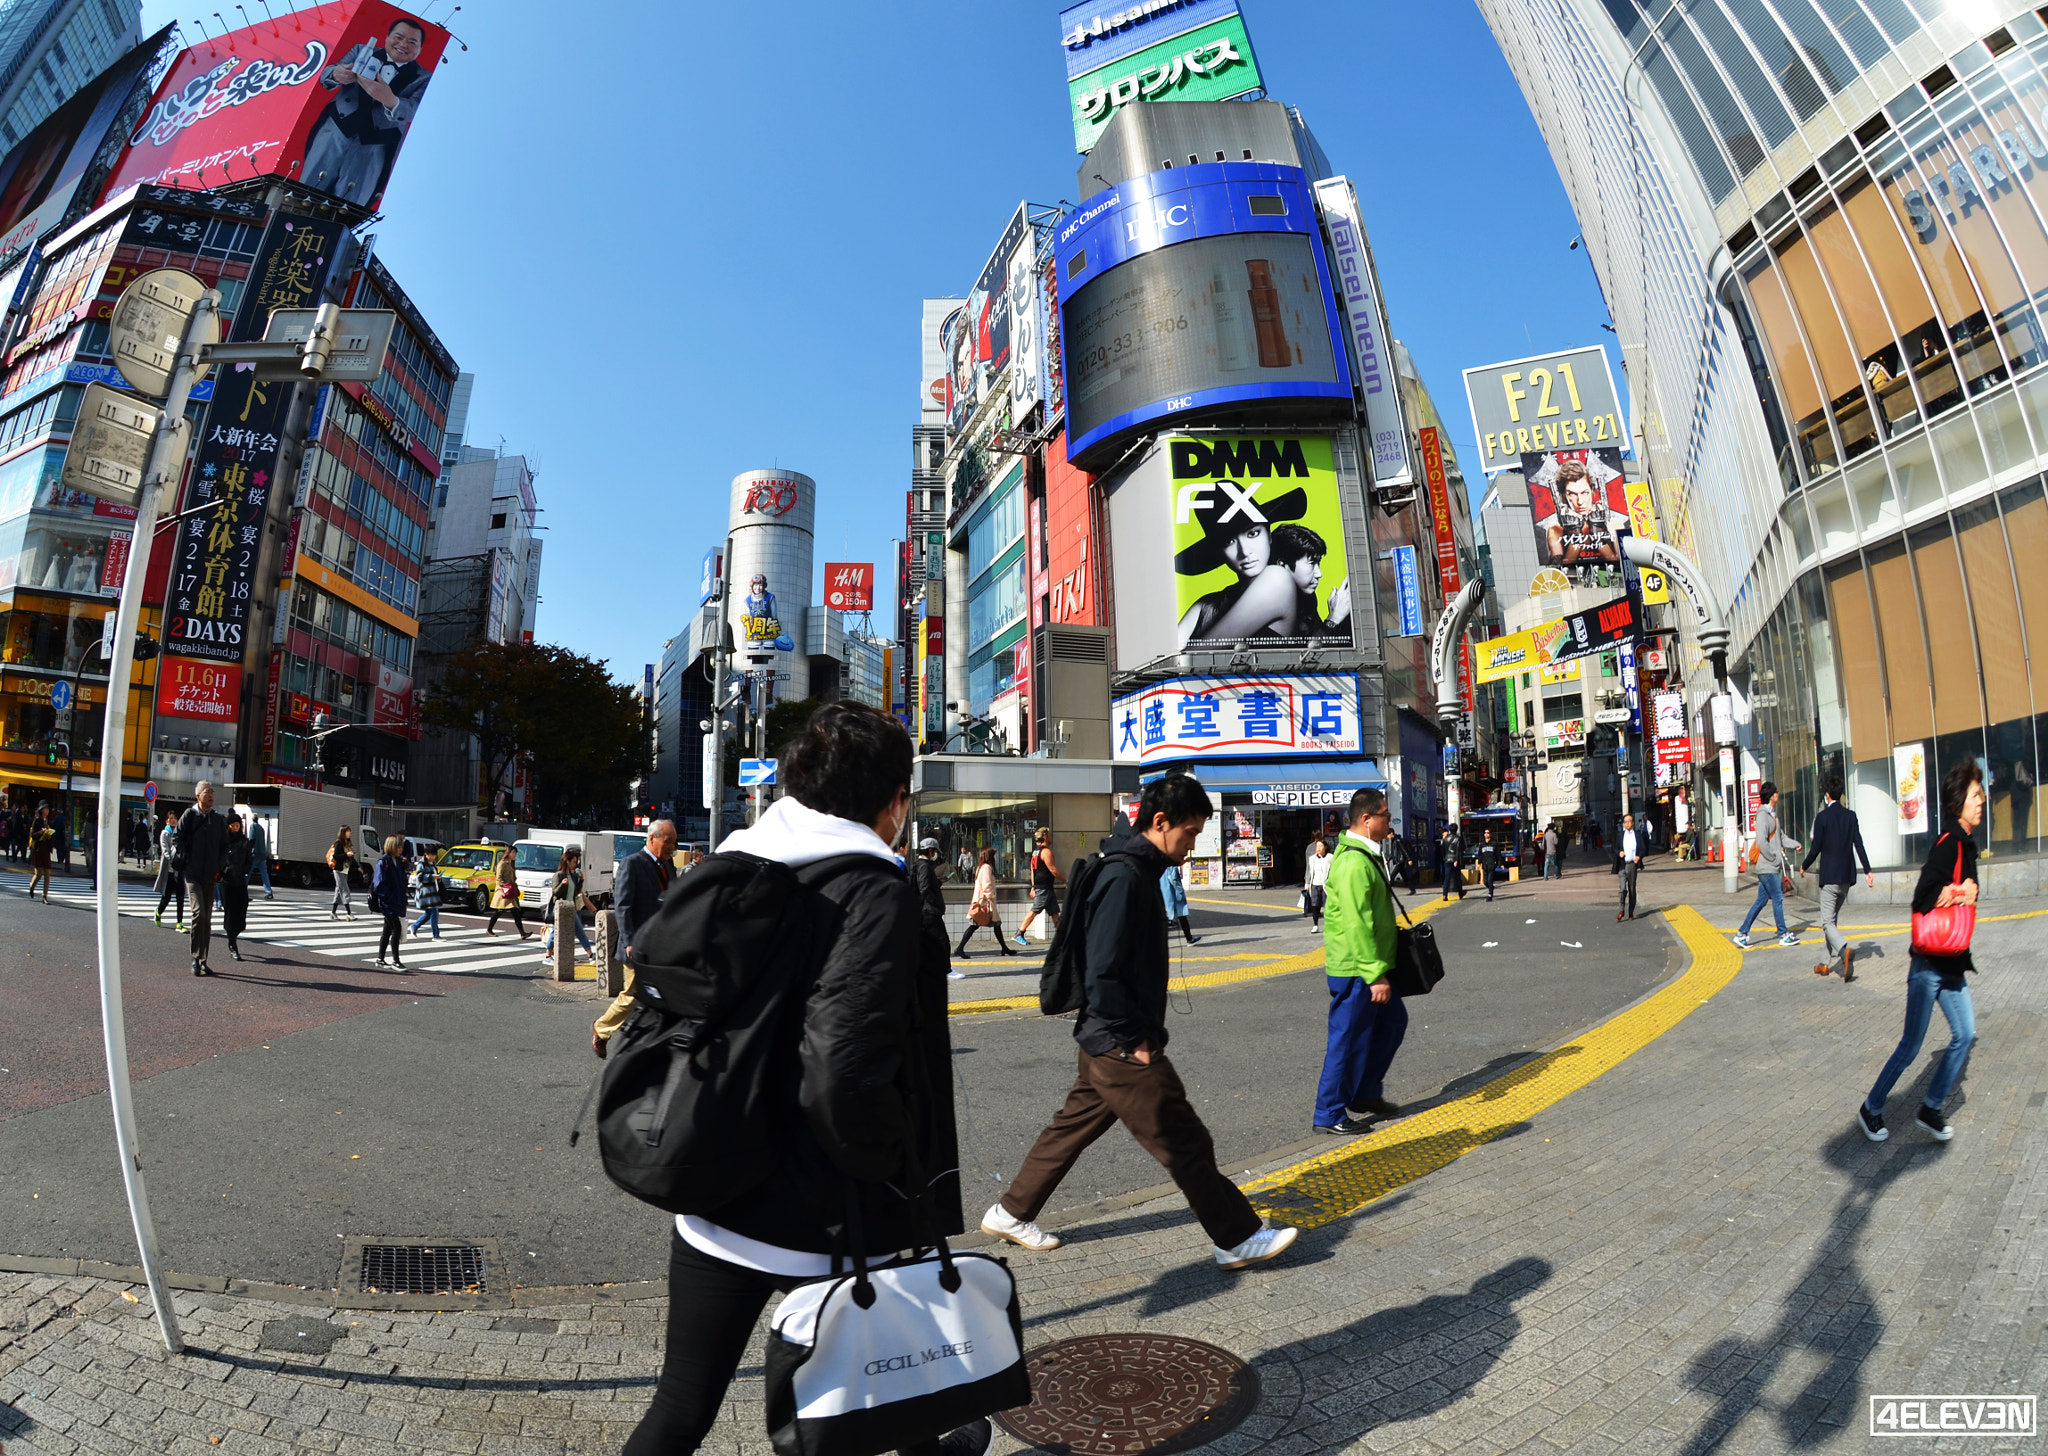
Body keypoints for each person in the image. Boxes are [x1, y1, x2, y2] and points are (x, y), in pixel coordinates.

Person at [620, 702, 980, 1456]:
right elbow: (840, 1071)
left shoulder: (735, 863)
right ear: (893, 802)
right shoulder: (874, 890)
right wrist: (892, 1168)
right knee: (870, 1391)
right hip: (823, 1213)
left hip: (711, 1187)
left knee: (680, 1410)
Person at [982, 775, 1295, 1270]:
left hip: (1103, 1041)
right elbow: (1102, 966)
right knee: (1184, 1138)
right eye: (1189, 833)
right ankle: (1236, 1236)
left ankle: (1010, 1211)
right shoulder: (1126, 876)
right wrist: (1135, 1040)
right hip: (1121, 1043)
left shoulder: (1135, 869)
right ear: (1159, 822)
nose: (1192, 847)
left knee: (1070, 1130)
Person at [1857, 762, 1983, 1145]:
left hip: (1952, 963)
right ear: (1959, 801)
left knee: (1965, 1033)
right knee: (1911, 1045)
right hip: (1929, 964)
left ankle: (1930, 1107)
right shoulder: (1950, 843)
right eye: (1976, 795)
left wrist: (1965, 890)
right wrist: (1962, 891)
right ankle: (1871, 1108)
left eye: (1980, 795)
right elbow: (1923, 898)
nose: (1982, 801)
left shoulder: (1967, 842)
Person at [1313, 787, 1409, 1135]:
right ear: (1366, 820)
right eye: (1385, 815)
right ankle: (1329, 1113)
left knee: (1392, 1022)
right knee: (1347, 1039)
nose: (1389, 821)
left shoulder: (1366, 853)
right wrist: (1374, 975)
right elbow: (1356, 923)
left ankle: (1365, 1093)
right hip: (1357, 970)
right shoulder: (1354, 862)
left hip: (1371, 968)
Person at [301, 16, 432, 206]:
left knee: (349, 204)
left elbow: (415, 110)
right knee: (304, 189)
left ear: (420, 49)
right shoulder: (361, 50)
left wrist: (390, 99)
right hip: (336, 130)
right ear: (387, 37)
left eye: (412, 42)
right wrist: (337, 73)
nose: (403, 44)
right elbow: (326, 74)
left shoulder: (423, 77)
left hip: (375, 145)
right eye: (399, 37)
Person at [594, 821, 677, 1058]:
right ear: (652, 839)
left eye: (673, 842)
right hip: (637, 945)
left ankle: (651, 1040)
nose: (672, 847)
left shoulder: (667, 866)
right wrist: (629, 941)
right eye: (668, 841)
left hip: (660, 944)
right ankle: (601, 1029)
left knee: (662, 992)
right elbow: (623, 907)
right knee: (632, 993)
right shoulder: (633, 864)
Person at [1804, 773, 1874, 981]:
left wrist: (1804, 865)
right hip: (1846, 878)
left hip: (1830, 877)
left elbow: (1816, 847)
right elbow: (1858, 844)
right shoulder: (1850, 816)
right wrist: (1868, 870)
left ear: (1827, 795)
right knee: (1832, 920)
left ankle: (1844, 950)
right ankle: (1825, 964)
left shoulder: (1822, 818)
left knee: (1826, 922)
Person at [1733, 781, 1802, 949]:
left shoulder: (1772, 814)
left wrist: (1796, 844)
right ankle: (1784, 934)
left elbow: (1782, 837)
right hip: (1767, 866)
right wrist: (1773, 857)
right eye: (1776, 792)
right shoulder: (1763, 815)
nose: (1778, 794)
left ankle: (1742, 933)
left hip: (1770, 865)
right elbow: (1762, 842)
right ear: (1771, 796)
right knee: (1778, 898)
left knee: (1761, 901)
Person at [176, 782, 230, 977]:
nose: (211, 795)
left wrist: (221, 865)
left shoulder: (217, 820)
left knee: (207, 919)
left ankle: (203, 960)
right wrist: (184, 857)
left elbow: (225, 846)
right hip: (192, 875)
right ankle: (194, 957)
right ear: (198, 796)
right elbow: (177, 838)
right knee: (199, 914)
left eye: (212, 792)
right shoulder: (189, 816)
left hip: (210, 875)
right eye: (207, 792)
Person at [905, 835, 961, 983]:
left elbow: (925, 884)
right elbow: (924, 887)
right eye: (935, 851)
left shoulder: (918, 865)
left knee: (926, 942)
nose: (936, 854)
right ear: (930, 850)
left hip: (924, 911)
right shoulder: (924, 866)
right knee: (943, 941)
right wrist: (930, 905)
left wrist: (939, 881)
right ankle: (946, 970)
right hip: (929, 912)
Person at [542, 846, 597, 966]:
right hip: (562, 908)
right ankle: (590, 955)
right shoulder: (559, 875)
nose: (575, 864)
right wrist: (562, 884)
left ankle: (548, 955)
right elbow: (556, 892)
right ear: (567, 861)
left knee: (567, 931)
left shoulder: (573, 875)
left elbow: (576, 891)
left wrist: (581, 880)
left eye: (576, 862)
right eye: (573, 862)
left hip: (572, 907)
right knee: (561, 931)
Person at [955, 847, 1015, 957]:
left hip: (981, 901)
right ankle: (959, 948)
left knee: (996, 924)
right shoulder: (987, 867)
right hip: (984, 902)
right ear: (989, 856)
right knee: (975, 925)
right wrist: (992, 896)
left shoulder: (980, 867)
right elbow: (987, 885)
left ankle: (1004, 948)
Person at [1016, 827, 1065, 945]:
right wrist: (1065, 880)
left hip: (1044, 887)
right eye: (1049, 835)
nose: (1051, 837)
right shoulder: (1046, 852)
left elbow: (1033, 870)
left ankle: (1062, 936)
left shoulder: (1035, 852)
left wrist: (1033, 886)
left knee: (1054, 912)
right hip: (1043, 887)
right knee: (1035, 910)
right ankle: (1019, 933)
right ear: (1045, 837)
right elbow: (1053, 869)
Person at [370, 834, 410, 971]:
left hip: (395, 901)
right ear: (392, 846)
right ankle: (395, 960)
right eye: (399, 847)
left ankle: (380, 959)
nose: (400, 850)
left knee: (387, 930)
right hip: (387, 902)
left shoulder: (397, 861)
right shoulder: (384, 862)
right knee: (396, 928)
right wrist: (390, 897)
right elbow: (379, 885)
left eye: (401, 847)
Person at [218, 814, 254, 963]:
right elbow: (219, 858)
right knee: (230, 913)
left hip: (240, 881)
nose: (234, 828)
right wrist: (225, 870)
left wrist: (244, 869)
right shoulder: (223, 842)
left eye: (237, 825)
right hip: (227, 882)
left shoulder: (244, 842)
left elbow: (249, 861)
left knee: (241, 912)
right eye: (232, 825)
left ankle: (234, 934)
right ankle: (232, 944)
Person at [484, 851, 530, 938]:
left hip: (509, 892)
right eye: (514, 853)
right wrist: (506, 886)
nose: (515, 855)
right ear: (509, 853)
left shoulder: (510, 864)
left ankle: (522, 933)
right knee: (499, 912)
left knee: (515, 912)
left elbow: (513, 877)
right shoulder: (502, 863)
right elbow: (499, 877)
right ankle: (489, 929)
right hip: (503, 892)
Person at [153, 808, 184, 928]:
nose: (173, 821)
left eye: (174, 819)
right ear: (166, 821)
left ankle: (179, 922)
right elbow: (165, 851)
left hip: (179, 869)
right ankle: (158, 912)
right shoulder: (165, 833)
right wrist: (173, 860)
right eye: (170, 819)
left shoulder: (180, 833)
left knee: (180, 897)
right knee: (166, 897)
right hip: (169, 869)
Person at [1160, 859, 1199, 944]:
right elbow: (1173, 878)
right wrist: (1180, 890)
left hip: (1164, 894)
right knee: (1181, 916)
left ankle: (1189, 938)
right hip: (1174, 894)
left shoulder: (1160, 863)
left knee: (1170, 917)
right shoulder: (1171, 864)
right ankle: (1189, 939)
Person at [1613, 813, 1643, 921]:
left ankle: (1631, 912)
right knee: (1622, 889)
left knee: (1632, 889)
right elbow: (1614, 848)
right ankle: (1621, 910)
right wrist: (1619, 852)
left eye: (1630, 821)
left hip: (1632, 865)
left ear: (1633, 823)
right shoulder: (1620, 835)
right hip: (1622, 865)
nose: (1628, 823)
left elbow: (1643, 849)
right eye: (1626, 822)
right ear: (1624, 824)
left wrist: (1639, 856)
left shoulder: (1637, 835)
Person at [410, 846, 443, 941]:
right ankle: (435, 935)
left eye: (434, 855)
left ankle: (414, 926)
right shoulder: (421, 864)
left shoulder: (433, 863)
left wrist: (437, 877)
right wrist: (433, 877)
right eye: (431, 855)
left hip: (431, 892)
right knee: (434, 913)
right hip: (425, 892)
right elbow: (420, 877)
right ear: (426, 854)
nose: (433, 857)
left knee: (429, 913)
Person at [25, 806, 55, 903]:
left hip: (46, 849)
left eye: (48, 809)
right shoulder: (37, 820)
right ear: (41, 810)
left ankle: (44, 896)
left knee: (47, 873)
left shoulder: (49, 821)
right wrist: (41, 832)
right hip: (38, 849)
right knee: (39, 873)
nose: (47, 811)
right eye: (45, 809)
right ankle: (32, 886)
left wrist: (49, 836)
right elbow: (33, 834)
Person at [1303, 836, 1332, 931]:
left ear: (1325, 847)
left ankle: (1329, 925)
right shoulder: (1312, 859)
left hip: (1326, 885)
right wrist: (1307, 883)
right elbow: (1309, 871)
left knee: (1327, 906)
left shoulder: (1330, 858)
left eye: (1320, 846)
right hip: (1315, 885)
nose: (1318, 848)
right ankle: (1315, 925)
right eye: (1317, 846)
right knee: (1315, 906)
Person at [329, 825, 356, 919]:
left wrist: (358, 867)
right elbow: (336, 855)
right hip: (338, 869)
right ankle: (349, 913)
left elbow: (351, 857)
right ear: (343, 832)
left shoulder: (347, 843)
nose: (349, 834)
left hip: (345, 870)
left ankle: (333, 913)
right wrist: (346, 854)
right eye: (348, 832)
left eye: (350, 832)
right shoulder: (338, 843)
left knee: (338, 892)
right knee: (345, 890)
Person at [247, 813, 274, 899]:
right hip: (262, 853)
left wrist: (248, 850)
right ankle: (269, 892)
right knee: (264, 873)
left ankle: (242, 890)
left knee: (248, 872)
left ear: (252, 819)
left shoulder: (253, 827)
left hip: (255, 853)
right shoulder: (261, 828)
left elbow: (252, 839)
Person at [1476, 829, 1499, 902]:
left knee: (1489, 880)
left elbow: (1498, 854)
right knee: (1485, 881)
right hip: (1484, 865)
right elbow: (1480, 855)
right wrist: (1479, 863)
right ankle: (1491, 887)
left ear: (1490, 834)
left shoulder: (1494, 843)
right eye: (1485, 833)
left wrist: (1500, 864)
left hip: (1492, 864)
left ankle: (1490, 894)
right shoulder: (1482, 844)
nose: (1486, 834)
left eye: (1488, 833)